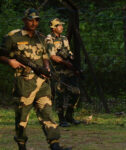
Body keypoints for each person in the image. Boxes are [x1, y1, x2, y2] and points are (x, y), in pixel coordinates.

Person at [0, 8, 72, 150]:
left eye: (36, 20)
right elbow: (1, 54)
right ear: (24, 20)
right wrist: (10, 62)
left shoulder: (41, 37)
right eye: (30, 19)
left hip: (41, 82)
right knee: (22, 117)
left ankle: (55, 145)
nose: (33, 23)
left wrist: (47, 69)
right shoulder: (13, 37)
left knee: (47, 113)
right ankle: (21, 145)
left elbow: (45, 56)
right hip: (24, 82)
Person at [45, 18, 81, 127]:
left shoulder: (64, 38)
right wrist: (66, 63)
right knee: (59, 94)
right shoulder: (49, 39)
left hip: (68, 70)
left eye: (61, 25)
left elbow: (69, 52)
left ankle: (69, 115)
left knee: (76, 92)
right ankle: (61, 119)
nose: (62, 27)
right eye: (59, 25)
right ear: (53, 28)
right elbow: (53, 56)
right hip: (58, 71)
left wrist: (74, 63)